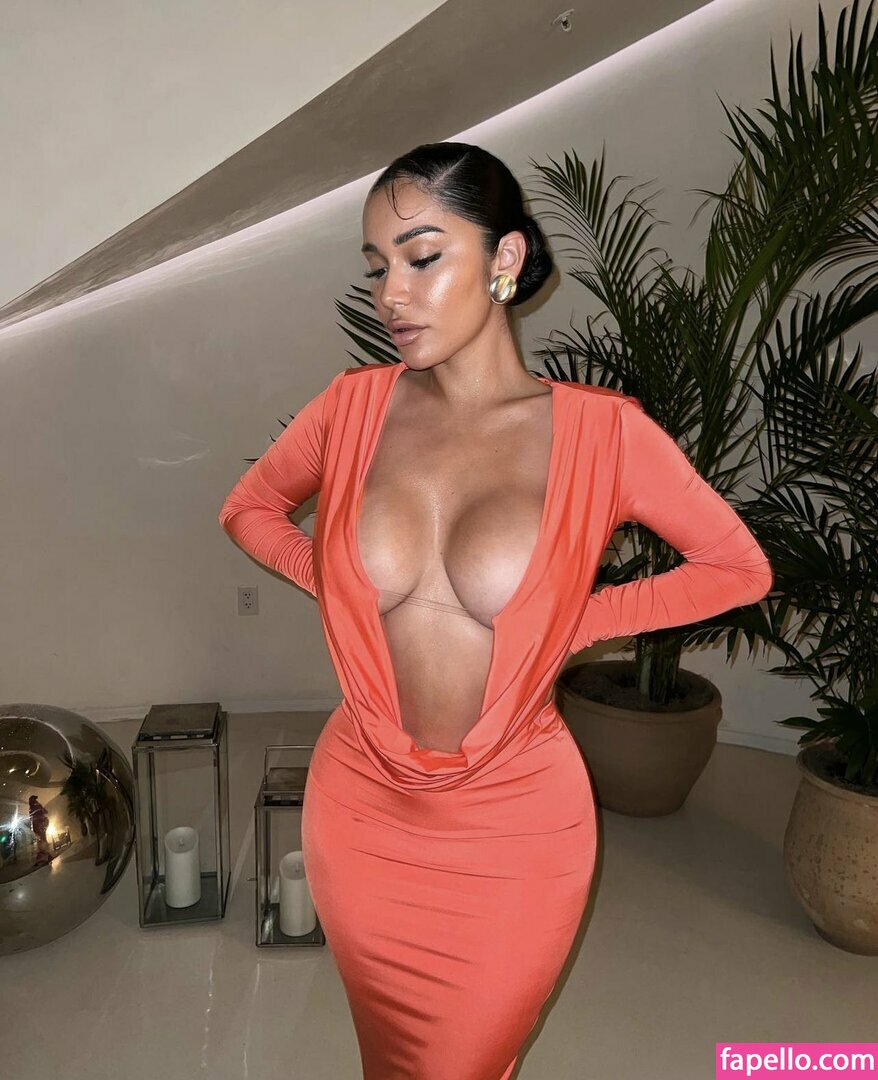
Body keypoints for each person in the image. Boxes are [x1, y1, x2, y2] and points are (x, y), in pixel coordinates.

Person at [218, 141, 774, 1080]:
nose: (391, 295)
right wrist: (336, 583)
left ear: (505, 259)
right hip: (361, 809)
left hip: (513, 828)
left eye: (423, 257)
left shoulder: (603, 434)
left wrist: (578, 619)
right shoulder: (353, 408)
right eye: (378, 267)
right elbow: (249, 509)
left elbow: (736, 567)